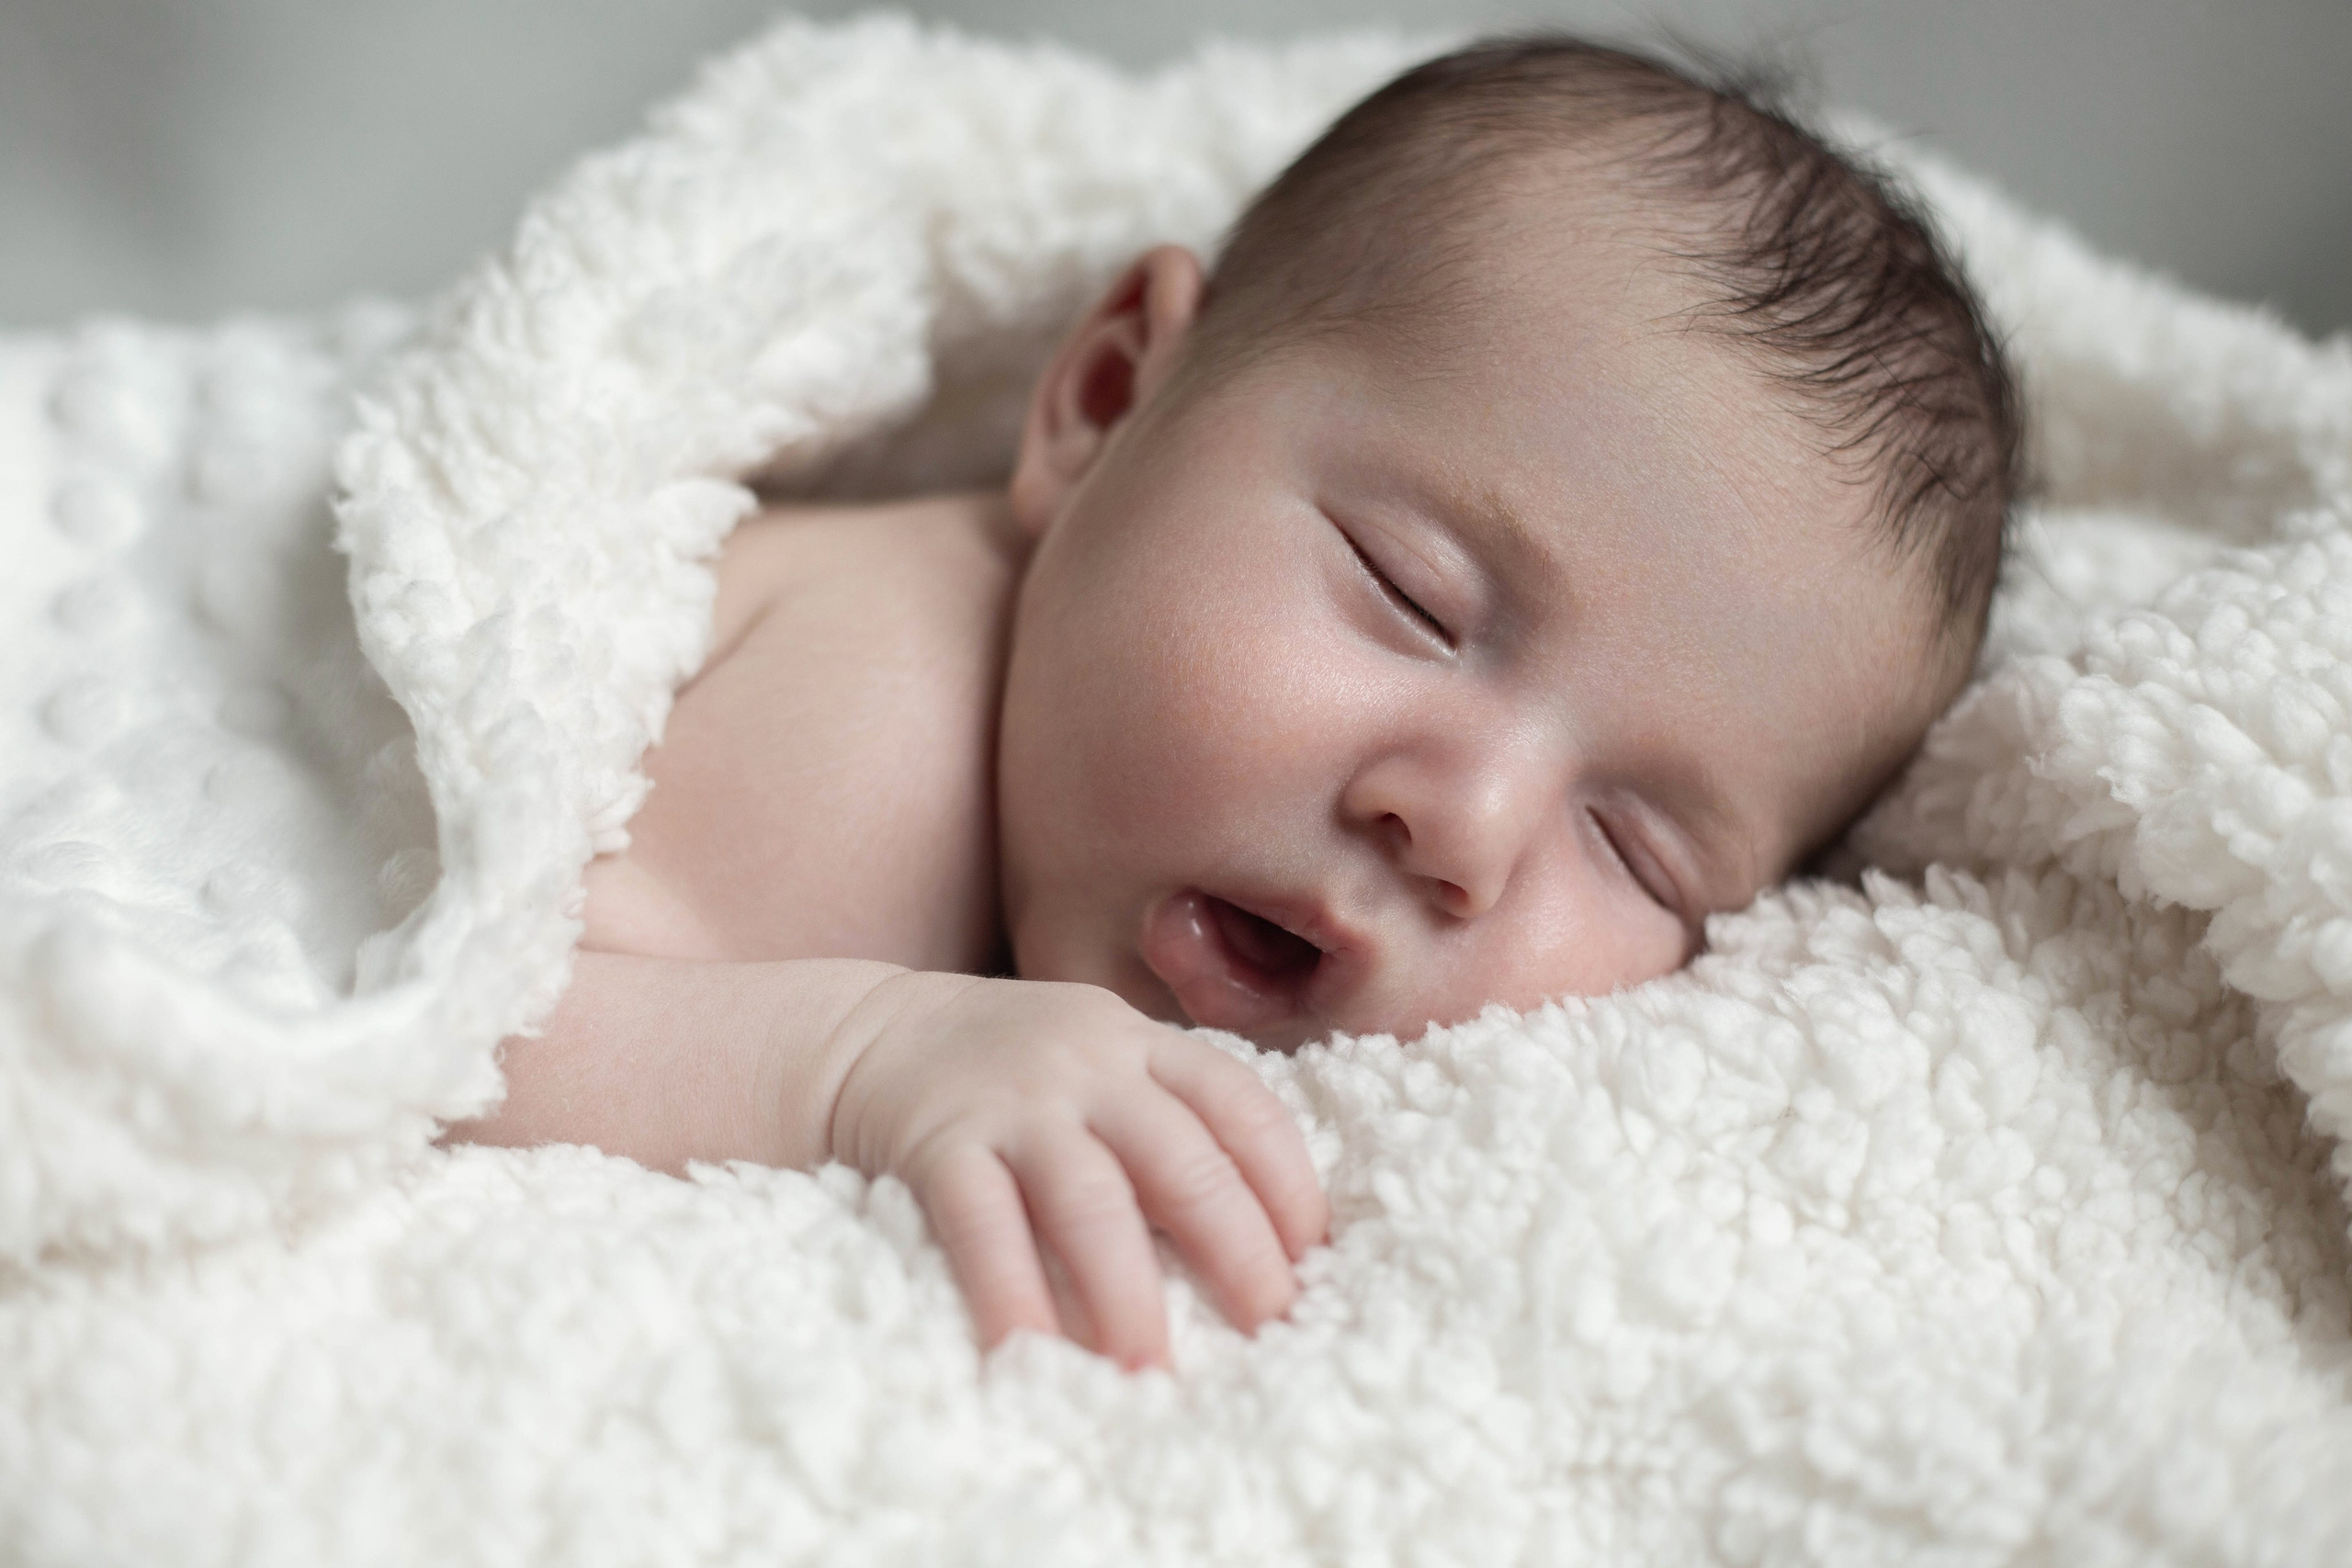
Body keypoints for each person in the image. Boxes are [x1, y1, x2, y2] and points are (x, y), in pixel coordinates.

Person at [447, 35, 2021, 1370]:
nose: (1461, 827)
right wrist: (862, 1056)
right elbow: (464, 1039)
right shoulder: (889, 720)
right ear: (1109, 397)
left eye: (1638, 849)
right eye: (1415, 598)